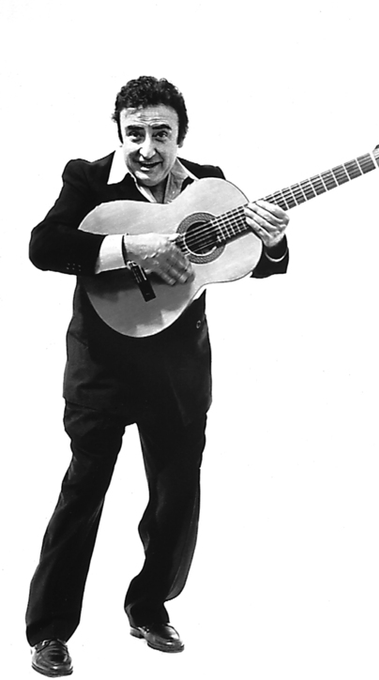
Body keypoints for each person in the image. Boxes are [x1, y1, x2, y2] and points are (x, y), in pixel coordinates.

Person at [26, 75, 290, 677]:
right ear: (120, 133)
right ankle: (49, 632)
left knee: (176, 496)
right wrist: (132, 247)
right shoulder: (87, 179)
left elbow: (250, 263)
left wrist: (272, 242)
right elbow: (44, 246)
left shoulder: (211, 188)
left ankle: (149, 607)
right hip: (102, 369)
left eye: (161, 134)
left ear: (180, 137)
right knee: (83, 493)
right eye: (136, 133)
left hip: (178, 372)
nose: (147, 147)